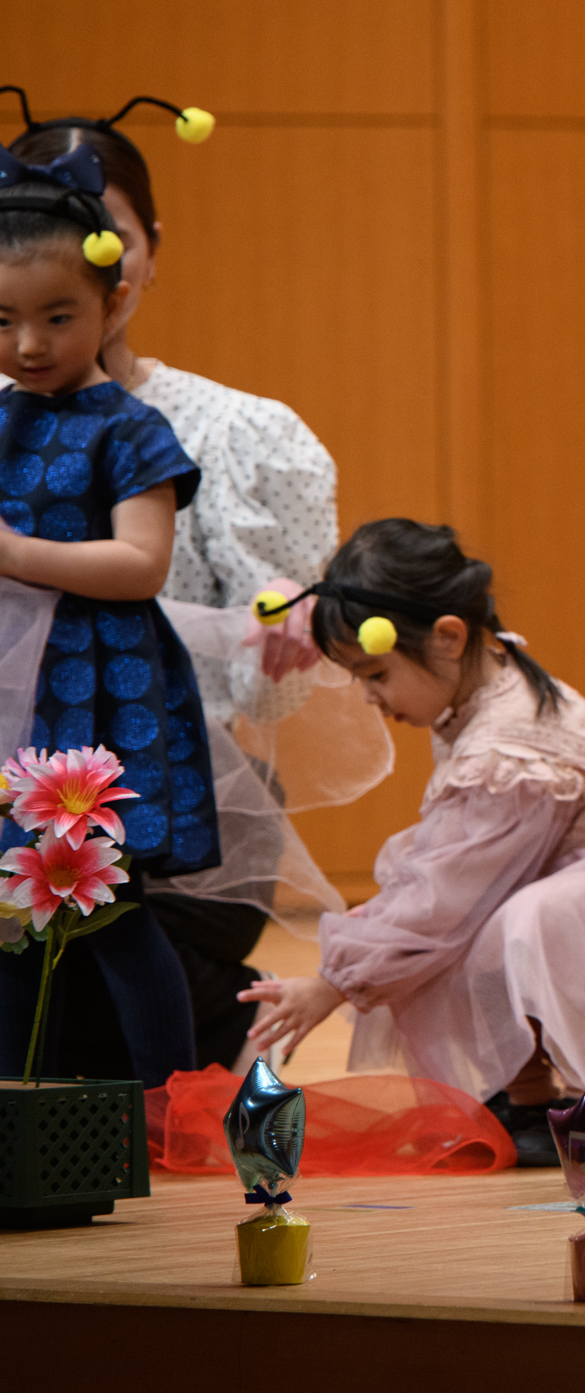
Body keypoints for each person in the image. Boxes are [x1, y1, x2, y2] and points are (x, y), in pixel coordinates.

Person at [11, 94, 346, 1074]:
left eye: (102, 242)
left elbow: (160, 582)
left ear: (134, 265)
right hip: (19, 747)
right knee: (24, 947)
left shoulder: (202, 429)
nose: (30, 340)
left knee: (102, 936)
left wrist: (286, 628)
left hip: (138, 759)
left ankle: (178, 1078)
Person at [237, 521, 585, 1162]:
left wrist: (333, 980)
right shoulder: (487, 676)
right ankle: (525, 1098)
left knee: (496, 924)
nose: (371, 697)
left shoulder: (505, 752)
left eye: (376, 674)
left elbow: (440, 895)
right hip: (567, 875)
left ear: (449, 637)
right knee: (447, 922)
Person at [0, 141, 214, 1090]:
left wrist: (14, 554)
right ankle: (16, 1111)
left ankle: (170, 1110)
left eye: (58, 316)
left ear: (113, 302)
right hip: (13, 687)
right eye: (3, 320)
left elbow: (140, 563)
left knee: (110, 908)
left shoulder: (130, 426)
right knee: (11, 911)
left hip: (94, 691)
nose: (29, 344)